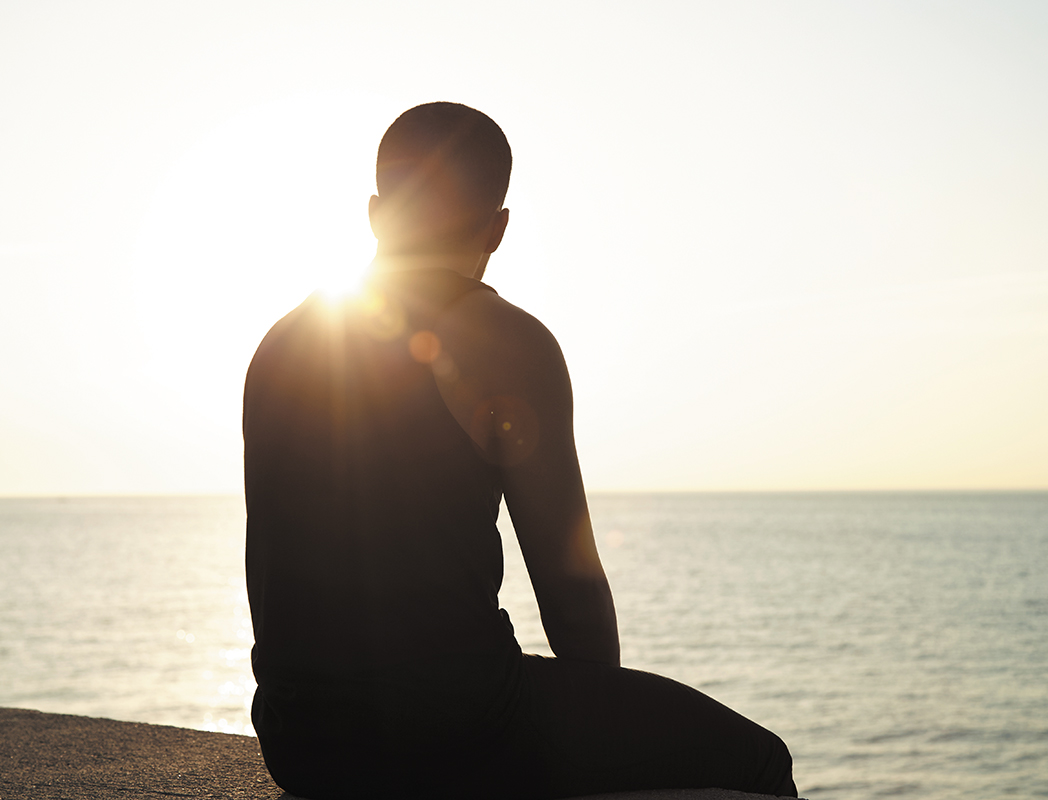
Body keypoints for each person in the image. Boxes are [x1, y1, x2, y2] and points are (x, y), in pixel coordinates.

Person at [242, 102, 797, 799]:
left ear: (377, 214)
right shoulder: (506, 342)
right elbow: (570, 590)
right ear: (498, 229)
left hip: (300, 743)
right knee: (759, 765)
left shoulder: (281, 345)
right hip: (455, 727)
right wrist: (604, 728)